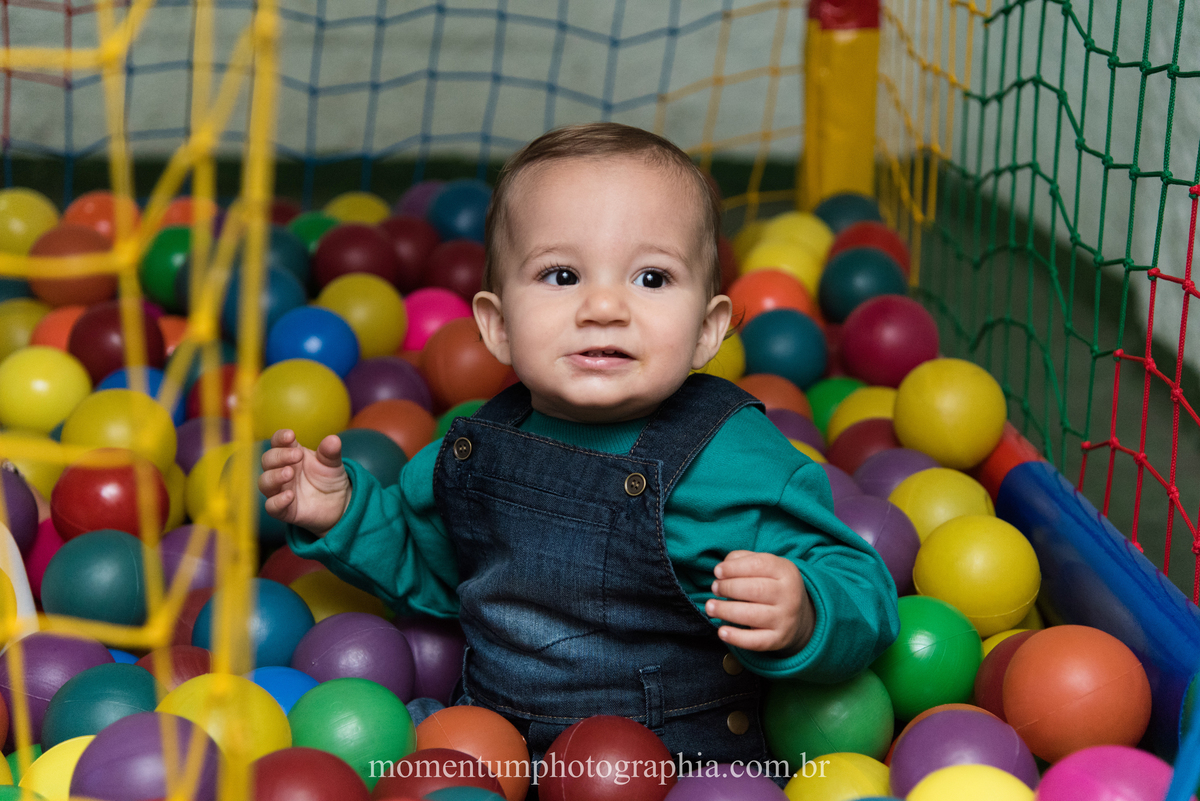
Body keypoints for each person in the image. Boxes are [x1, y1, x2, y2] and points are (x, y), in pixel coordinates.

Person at [260, 122, 899, 780]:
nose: (603, 305)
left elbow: (865, 588)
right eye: (562, 274)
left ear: (708, 332)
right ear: (499, 325)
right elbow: (431, 569)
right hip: (496, 756)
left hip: (678, 773)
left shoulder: (734, 458)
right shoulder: (476, 450)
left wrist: (804, 610)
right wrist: (341, 511)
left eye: (651, 277)